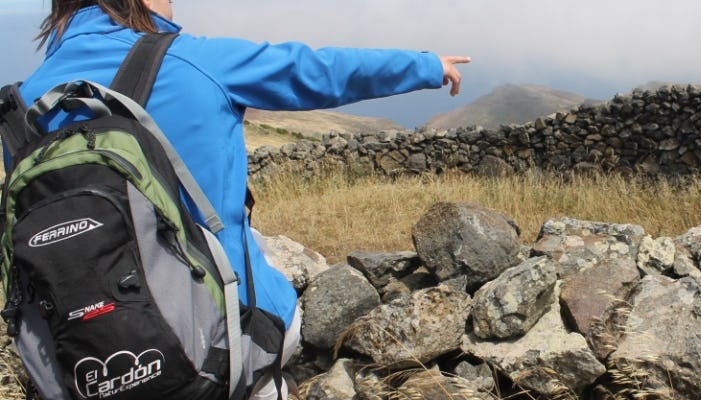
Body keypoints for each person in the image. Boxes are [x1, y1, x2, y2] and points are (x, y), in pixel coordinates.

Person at [15, 0, 470, 398]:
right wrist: (427, 66)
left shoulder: (25, 102)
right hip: (220, 343)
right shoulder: (192, 60)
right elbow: (313, 70)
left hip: (80, 359)